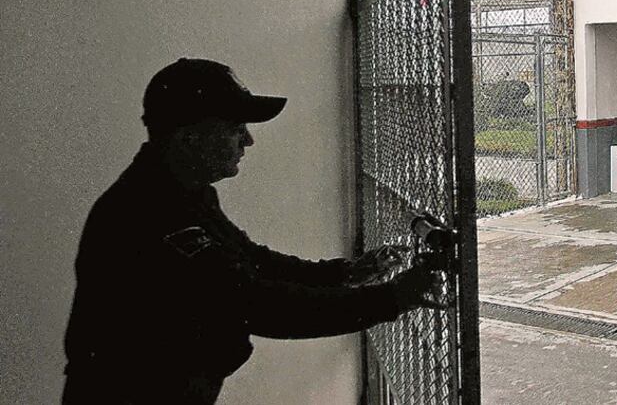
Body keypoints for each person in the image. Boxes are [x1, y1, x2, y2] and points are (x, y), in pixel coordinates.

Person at [62, 58, 445, 404]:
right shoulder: (150, 213)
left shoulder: (184, 193)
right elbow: (257, 305)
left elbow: (251, 261)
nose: (248, 139)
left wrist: (345, 273)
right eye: (235, 128)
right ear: (188, 138)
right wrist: (394, 297)